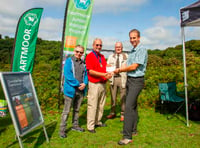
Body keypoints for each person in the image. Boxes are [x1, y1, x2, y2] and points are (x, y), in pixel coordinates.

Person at [115, 29, 148, 145]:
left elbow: (134, 67)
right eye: (131, 38)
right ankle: (132, 130)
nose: (132, 40)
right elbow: (126, 64)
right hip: (130, 80)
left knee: (128, 107)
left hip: (137, 81)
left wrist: (119, 70)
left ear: (139, 38)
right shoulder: (132, 51)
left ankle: (127, 136)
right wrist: (113, 71)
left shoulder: (141, 49)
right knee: (133, 106)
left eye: (134, 38)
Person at [59, 45, 88, 138]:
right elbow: (67, 75)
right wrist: (78, 84)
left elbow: (86, 75)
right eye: (77, 51)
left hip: (80, 91)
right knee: (66, 111)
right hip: (70, 90)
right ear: (74, 51)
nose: (79, 54)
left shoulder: (83, 63)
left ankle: (75, 126)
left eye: (81, 52)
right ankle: (62, 130)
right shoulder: (69, 61)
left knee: (77, 109)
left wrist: (85, 83)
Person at [85, 38, 112, 133]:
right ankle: (90, 126)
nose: (98, 47)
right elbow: (91, 71)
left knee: (101, 105)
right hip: (94, 84)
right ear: (93, 45)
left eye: (100, 45)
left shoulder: (102, 56)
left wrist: (109, 71)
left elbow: (104, 68)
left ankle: (98, 121)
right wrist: (103, 74)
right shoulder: (90, 56)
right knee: (92, 105)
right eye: (97, 45)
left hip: (103, 84)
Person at [106, 42, 128, 122]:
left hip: (122, 79)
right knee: (113, 97)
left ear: (122, 48)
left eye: (119, 47)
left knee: (123, 97)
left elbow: (128, 68)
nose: (118, 48)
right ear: (115, 48)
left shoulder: (126, 56)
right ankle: (112, 113)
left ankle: (123, 114)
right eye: (116, 47)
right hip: (113, 79)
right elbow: (107, 66)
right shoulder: (111, 56)